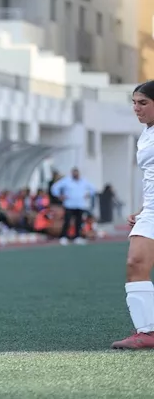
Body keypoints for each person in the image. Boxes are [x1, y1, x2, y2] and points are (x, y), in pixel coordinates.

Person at [112, 80, 154, 349]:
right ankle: (148, 332)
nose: (136, 108)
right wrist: (143, 209)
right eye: (134, 103)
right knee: (135, 263)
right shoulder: (146, 134)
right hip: (152, 210)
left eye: (143, 103)